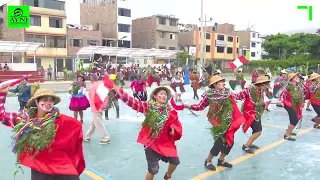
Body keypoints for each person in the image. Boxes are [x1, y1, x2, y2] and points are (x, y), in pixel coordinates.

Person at [0, 85, 85, 180]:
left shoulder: (64, 120)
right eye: (44, 100)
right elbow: (1, 115)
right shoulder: (25, 120)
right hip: (40, 168)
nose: (48, 103)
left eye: (51, 100)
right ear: (36, 102)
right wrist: (2, 94)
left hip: (63, 168)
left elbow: (76, 128)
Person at [114, 86, 182, 180]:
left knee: (175, 161)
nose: (164, 96)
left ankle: (168, 176)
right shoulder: (149, 107)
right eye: (161, 93)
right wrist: (120, 93)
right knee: (153, 170)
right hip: (151, 144)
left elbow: (175, 121)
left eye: (165, 94)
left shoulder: (169, 110)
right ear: (155, 96)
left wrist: (173, 127)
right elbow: (133, 103)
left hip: (165, 143)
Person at [184, 75, 245, 171]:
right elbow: (200, 106)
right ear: (214, 85)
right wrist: (190, 106)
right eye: (220, 82)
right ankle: (208, 161)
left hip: (228, 121)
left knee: (230, 143)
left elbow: (238, 96)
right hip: (217, 122)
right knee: (219, 143)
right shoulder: (209, 95)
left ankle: (221, 160)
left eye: (222, 82)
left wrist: (248, 91)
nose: (223, 84)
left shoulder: (227, 93)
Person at [232, 76, 271, 154]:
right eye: (265, 85)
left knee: (256, 130)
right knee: (258, 131)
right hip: (249, 113)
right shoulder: (249, 90)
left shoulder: (260, 91)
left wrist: (263, 104)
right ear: (261, 84)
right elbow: (239, 96)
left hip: (256, 113)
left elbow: (259, 102)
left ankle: (250, 143)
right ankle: (246, 146)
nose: (266, 86)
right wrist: (230, 94)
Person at [279, 72, 308, 141]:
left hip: (296, 104)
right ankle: (287, 135)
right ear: (291, 79)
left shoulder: (298, 86)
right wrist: (281, 101)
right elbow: (282, 94)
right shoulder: (288, 86)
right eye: (295, 77)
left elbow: (304, 93)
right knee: (294, 120)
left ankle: (289, 130)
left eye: (297, 76)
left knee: (297, 117)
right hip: (288, 104)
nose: (297, 77)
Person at [84, 73, 110, 144]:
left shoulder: (93, 87)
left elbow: (92, 99)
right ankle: (87, 137)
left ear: (91, 79)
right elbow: (106, 96)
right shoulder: (101, 85)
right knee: (94, 123)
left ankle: (105, 137)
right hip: (100, 106)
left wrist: (93, 107)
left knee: (98, 124)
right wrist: (105, 104)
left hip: (96, 107)